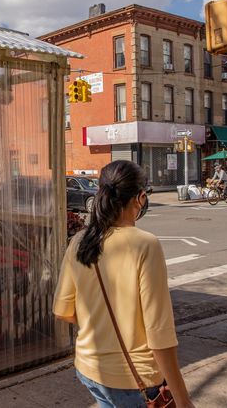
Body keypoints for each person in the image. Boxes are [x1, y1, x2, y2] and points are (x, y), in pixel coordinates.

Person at [53, 160, 194, 408]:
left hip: (88, 367)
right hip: (133, 378)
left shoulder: (79, 241)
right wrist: (182, 398)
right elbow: (158, 333)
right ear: (140, 198)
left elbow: (62, 310)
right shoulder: (145, 245)